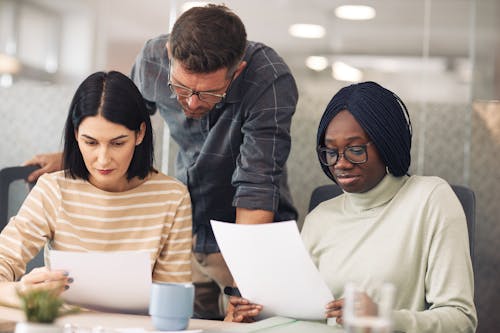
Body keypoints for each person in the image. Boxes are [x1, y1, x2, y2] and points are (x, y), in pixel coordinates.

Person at [23, 4, 297, 319]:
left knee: (250, 320)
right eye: (180, 88)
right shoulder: (153, 60)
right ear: (168, 54)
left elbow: (256, 185)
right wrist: (77, 153)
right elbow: (121, 120)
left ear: (237, 71)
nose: (192, 103)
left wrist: (245, 285)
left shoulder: (268, 79)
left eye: (209, 94)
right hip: (189, 229)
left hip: (250, 236)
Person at [225, 81, 477, 333]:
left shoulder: (430, 199)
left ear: (386, 143)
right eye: (331, 152)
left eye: (355, 150)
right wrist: (259, 316)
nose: (341, 163)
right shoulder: (321, 217)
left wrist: (385, 319)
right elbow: (304, 316)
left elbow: (461, 319)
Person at [0, 71, 192, 308]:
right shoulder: (54, 189)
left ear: (140, 134)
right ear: (75, 135)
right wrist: (20, 293)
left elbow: (172, 303)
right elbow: (3, 260)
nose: (103, 160)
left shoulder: (172, 198)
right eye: (90, 142)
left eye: (118, 143)